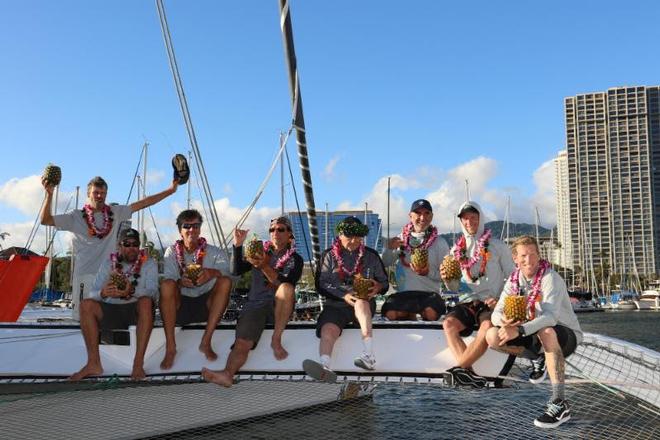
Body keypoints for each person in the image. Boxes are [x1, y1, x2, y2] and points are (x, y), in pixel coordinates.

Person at [40, 174, 180, 319]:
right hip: (85, 276)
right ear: (88, 194)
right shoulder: (75, 217)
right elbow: (46, 220)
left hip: (110, 276)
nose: (100, 196)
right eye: (96, 192)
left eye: (103, 193)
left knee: (108, 320)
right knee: (82, 321)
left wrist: (171, 190)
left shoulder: (115, 213)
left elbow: (144, 203)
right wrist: (49, 194)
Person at [486, 236, 582, 429]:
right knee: (492, 336)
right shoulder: (513, 281)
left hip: (565, 335)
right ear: (515, 258)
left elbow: (550, 318)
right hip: (533, 332)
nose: (528, 260)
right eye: (523, 255)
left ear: (539, 256)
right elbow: (496, 312)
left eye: (532, 254)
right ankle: (539, 358)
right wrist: (503, 323)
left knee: (546, 331)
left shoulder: (550, 278)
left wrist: (519, 330)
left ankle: (559, 402)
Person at [202, 216, 303, 387]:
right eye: (272, 230)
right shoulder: (258, 251)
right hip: (255, 305)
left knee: (286, 288)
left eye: (280, 229)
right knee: (242, 342)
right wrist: (238, 245)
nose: (275, 233)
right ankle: (227, 374)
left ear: (289, 234)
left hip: (279, 307)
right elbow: (235, 271)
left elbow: (286, 284)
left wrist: (264, 266)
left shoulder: (296, 259)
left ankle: (276, 339)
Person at [303, 216, 388, 382]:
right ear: (340, 235)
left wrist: (378, 287)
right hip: (335, 304)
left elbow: (384, 283)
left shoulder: (371, 255)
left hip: (362, 302)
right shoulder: (328, 256)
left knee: (362, 303)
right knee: (328, 329)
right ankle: (324, 365)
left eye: (357, 237)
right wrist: (344, 295)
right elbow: (321, 284)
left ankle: (368, 355)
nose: (354, 241)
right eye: (349, 236)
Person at [441, 200, 514, 387]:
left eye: (473, 217)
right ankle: (467, 373)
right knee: (448, 324)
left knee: (487, 325)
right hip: (467, 302)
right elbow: (453, 288)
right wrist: (447, 279)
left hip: (491, 302)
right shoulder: (455, 251)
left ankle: (459, 369)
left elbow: (514, 279)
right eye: (465, 219)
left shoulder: (498, 246)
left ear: (480, 219)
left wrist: (500, 301)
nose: (469, 222)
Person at [70, 228, 157, 381]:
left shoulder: (149, 263)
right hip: (111, 310)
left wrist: (131, 291)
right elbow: (92, 293)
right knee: (86, 305)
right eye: (127, 243)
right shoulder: (108, 264)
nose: (131, 248)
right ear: (119, 246)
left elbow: (152, 292)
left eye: (135, 244)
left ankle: (138, 364)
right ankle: (93, 363)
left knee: (146, 302)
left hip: (135, 311)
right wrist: (103, 293)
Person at [159, 209, 234, 370]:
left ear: (200, 229)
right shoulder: (171, 252)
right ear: (180, 230)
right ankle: (171, 348)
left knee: (225, 281)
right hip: (180, 305)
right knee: (167, 285)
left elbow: (228, 273)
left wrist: (210, 273)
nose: (192, 229)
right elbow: (169, 279)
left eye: (196, 225)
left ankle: (206, 341)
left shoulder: (214, 252)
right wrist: (181, 282)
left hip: (207, 305)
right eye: (187, 226)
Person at [381, 199, 449, 321]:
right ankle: (409, 314)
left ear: (432, 216)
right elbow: (385, 263)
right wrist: (389, 249)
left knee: (430, 313)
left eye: (427, 213)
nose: (422, 217)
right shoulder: (400, 239)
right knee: (390, 313)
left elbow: (446, 277)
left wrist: (428, 273)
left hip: (430, 295)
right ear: (410, 216)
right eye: (418, 213)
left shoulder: (441, 243)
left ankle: (411, 314)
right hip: (404, 294)